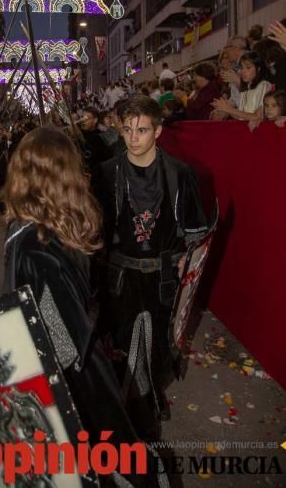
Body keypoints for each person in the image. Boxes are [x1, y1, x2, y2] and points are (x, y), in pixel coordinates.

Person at [1, 127, 166, 488]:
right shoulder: (69, 223)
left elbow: (60, 337)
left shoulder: (32, 240)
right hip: (87, 360)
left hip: (68, 372)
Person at [96, 95, 207, 442]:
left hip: (162, 275)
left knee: (157, 342)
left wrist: (183, 268)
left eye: (142, 130)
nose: (133, 137)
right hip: (119, 274)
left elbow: (195, 232)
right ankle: (133, 409)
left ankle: (151, 396)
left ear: (157, 130)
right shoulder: (106, 173)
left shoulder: (180, 174)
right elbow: (94, 231)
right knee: (123, 343)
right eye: (127, 129)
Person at [212, 51, 271, 121]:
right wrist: (224, 108)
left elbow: (257, 117)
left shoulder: (264, 85)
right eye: (242, 67)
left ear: (258, 69)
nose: (243, 71)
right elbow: (241, 117)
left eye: (248, 67)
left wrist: (229, 109)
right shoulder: (245, 89)